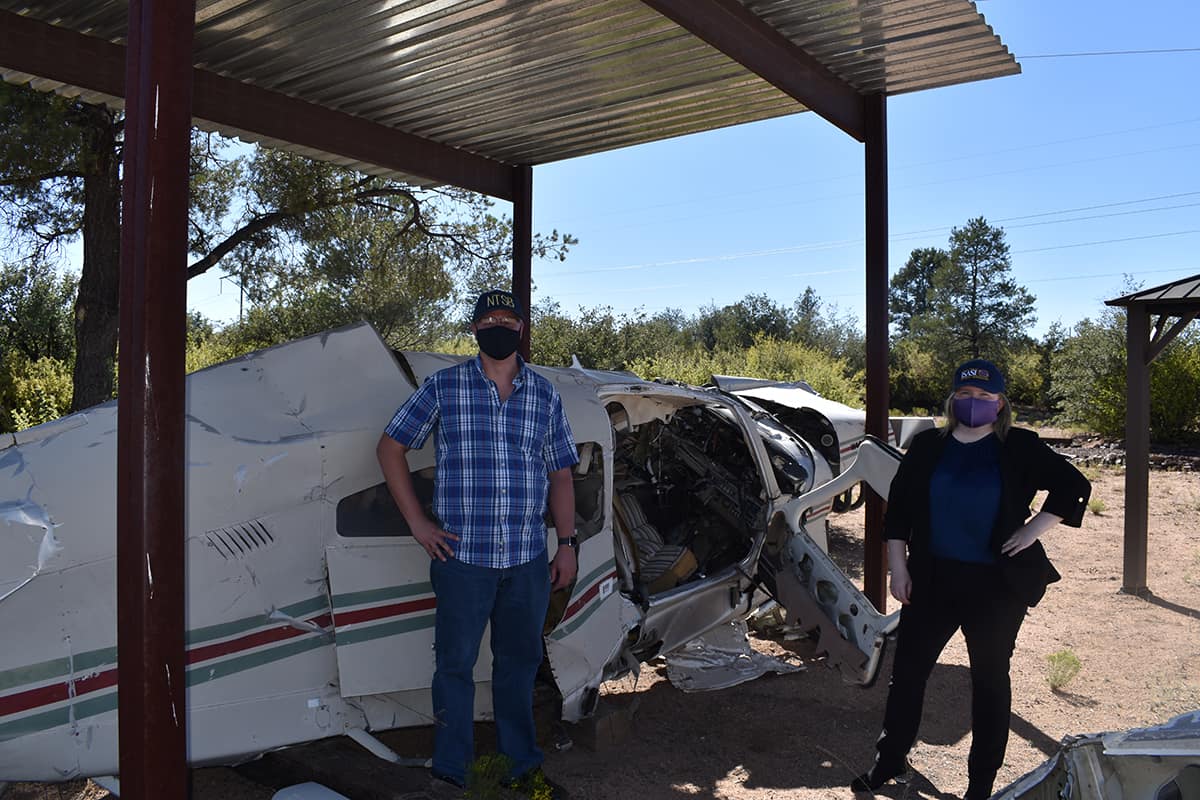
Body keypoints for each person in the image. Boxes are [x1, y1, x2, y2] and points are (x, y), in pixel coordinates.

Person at [852, 359, 1091, 799]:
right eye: (965, 396)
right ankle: (890, 759)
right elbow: (899, 513)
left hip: (996, 587)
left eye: (984, 398)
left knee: (989, 680)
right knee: (907, 674)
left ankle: (980, 784)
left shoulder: (1019, 446)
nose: (974, 404)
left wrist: (1032, 530)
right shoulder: (928, 447)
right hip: (931, 580)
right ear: (952, 400)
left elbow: (1073, 485)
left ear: (1000, 404)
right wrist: (898, 568)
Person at [376, 289, 579, 798]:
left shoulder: (545, 395)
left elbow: (560, 474)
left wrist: (568, 543)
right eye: (488, 319)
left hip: (527, 560)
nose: (498, 326)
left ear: (521, 328)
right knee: (454, 666)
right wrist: (418, 524)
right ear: (474, 329)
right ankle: (451, 769)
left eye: (507, 318)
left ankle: (520, 763)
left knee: (518, 666)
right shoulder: (444, 387)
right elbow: (390, 447)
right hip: (463, 559)